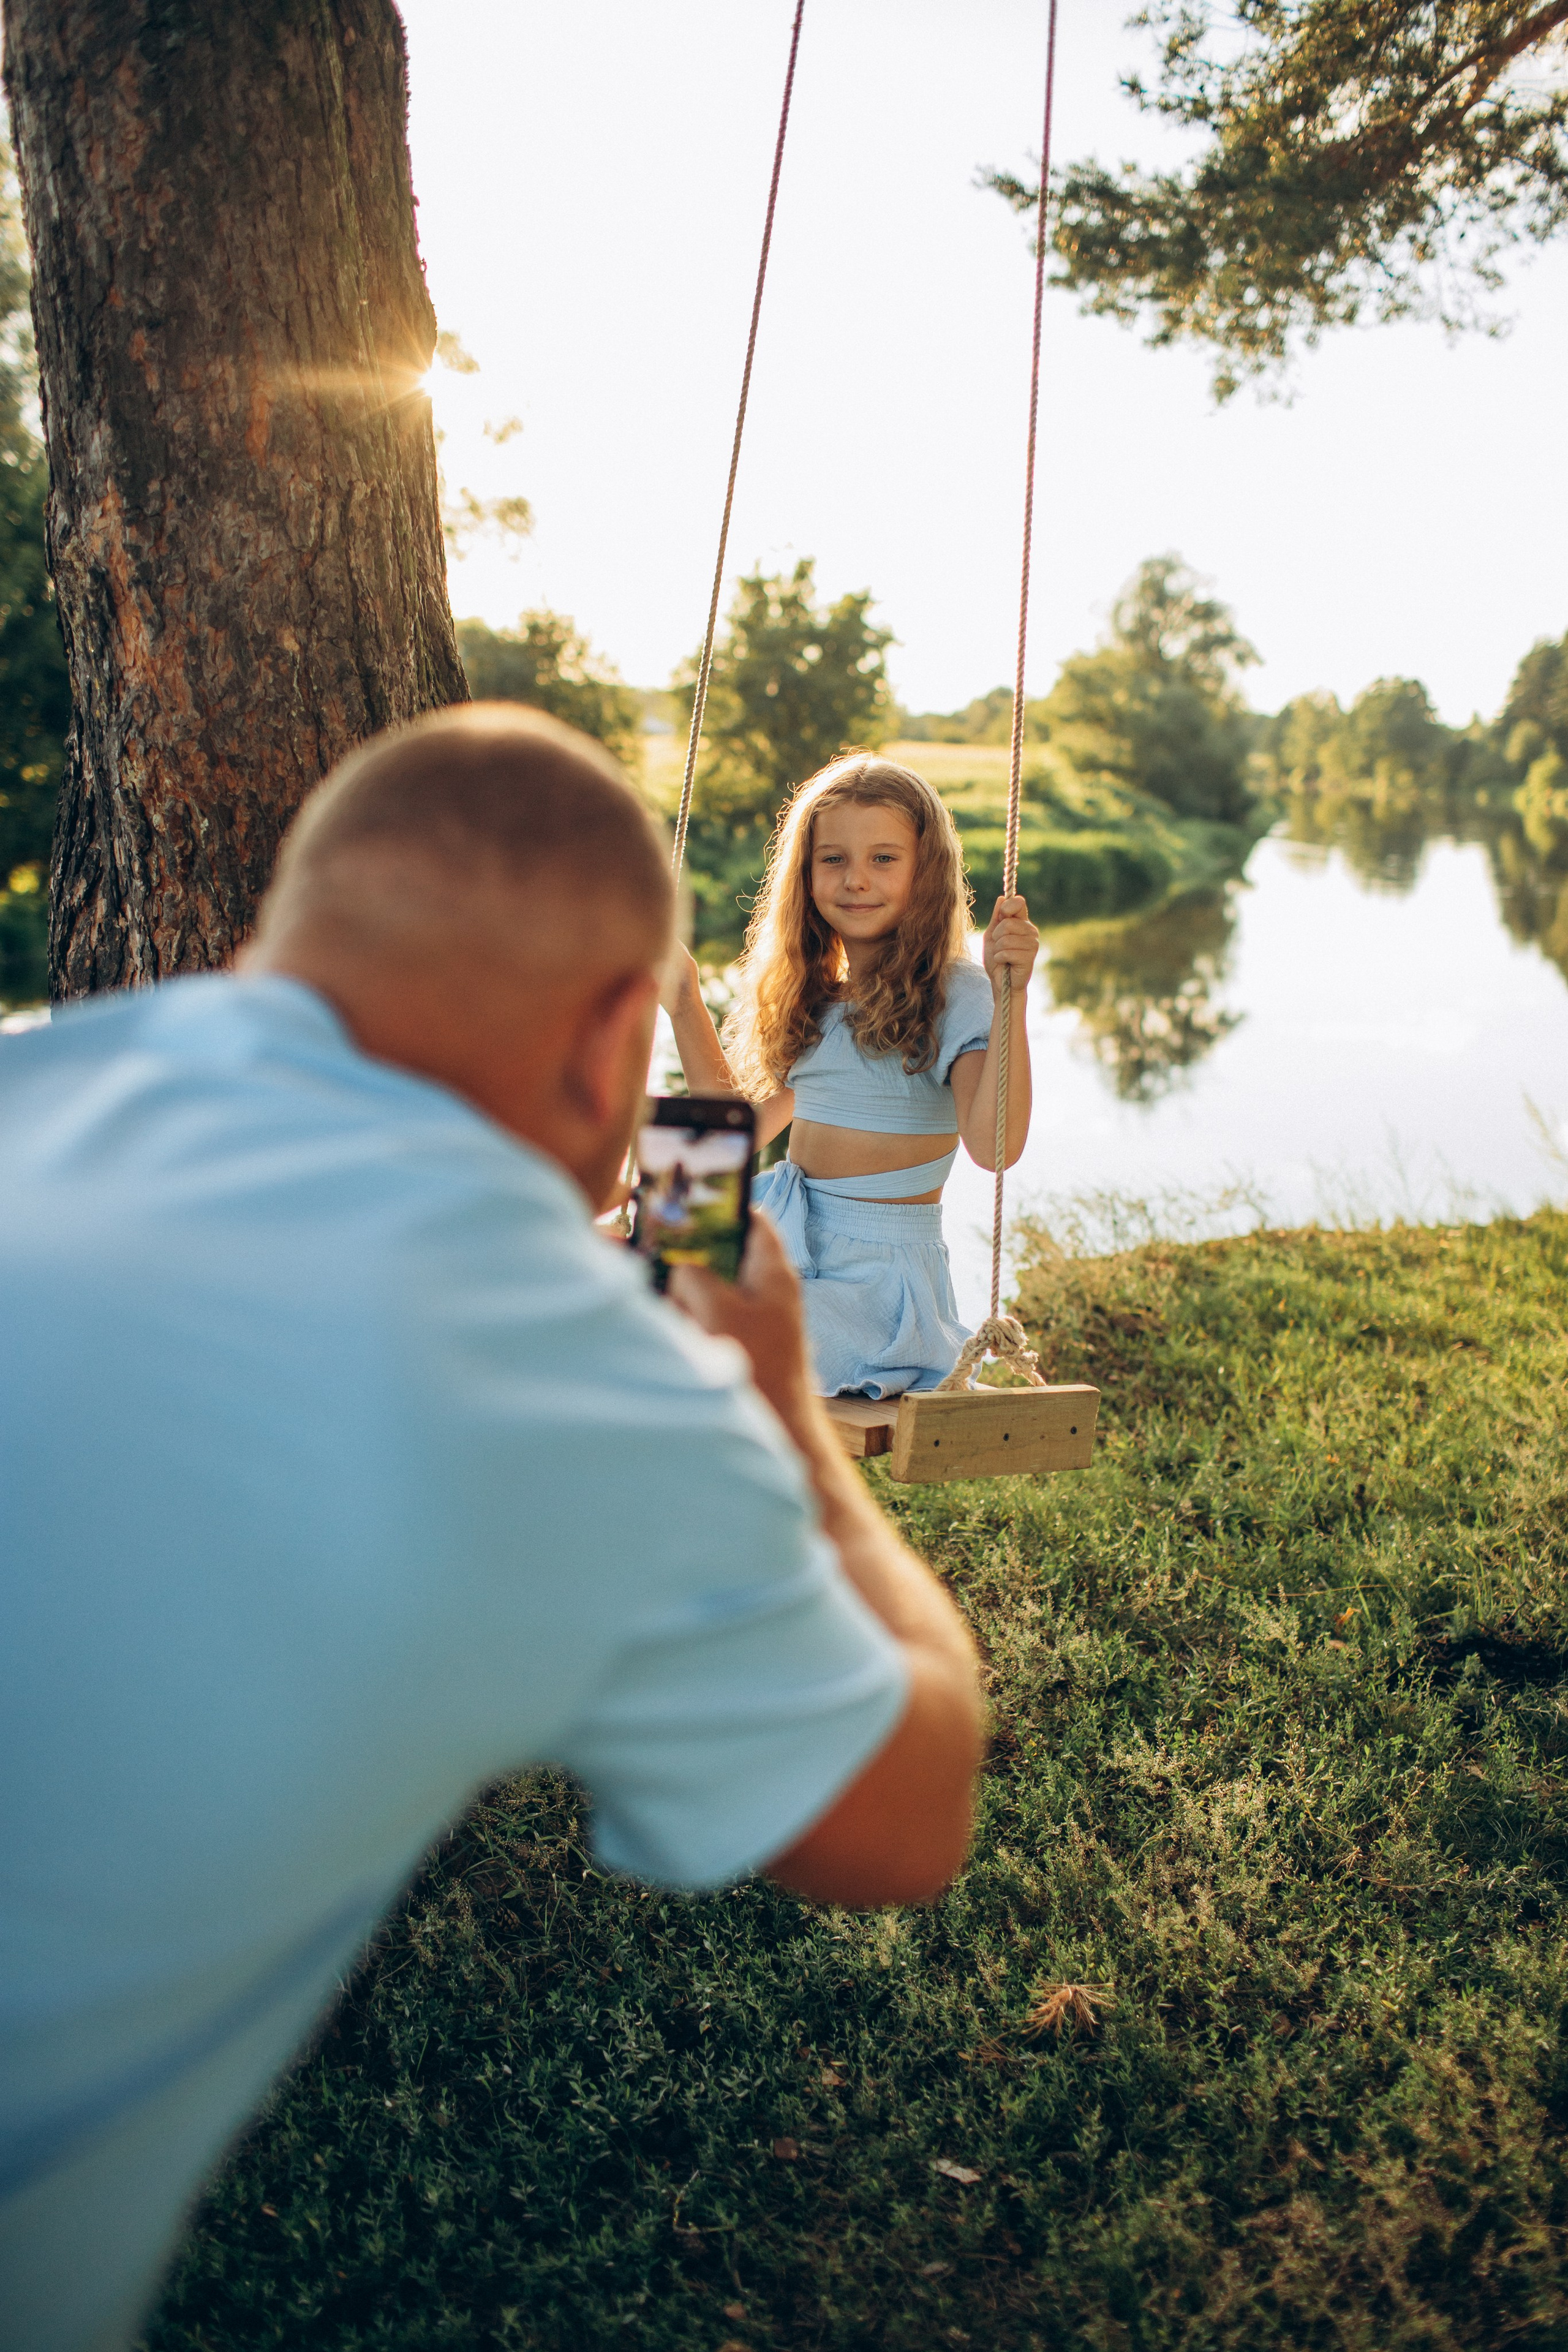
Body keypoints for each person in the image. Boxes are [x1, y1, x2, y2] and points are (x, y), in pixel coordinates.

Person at [0, 706, 983, 2352]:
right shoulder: (590, 1380)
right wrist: (772, 1406)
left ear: (273, 949)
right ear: (617, 1047)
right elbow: (905, 1817)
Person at [662, 752, 1041, 1397]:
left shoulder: (959, 995)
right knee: (632, 1265)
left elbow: (995, 1149)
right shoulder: (814, 997)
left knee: (715, 1333)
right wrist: (684, 1000)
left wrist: (1014, 1000)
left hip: (874, 1289)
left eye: (884, 859)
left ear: (927, 872)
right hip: (780, 1238)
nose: (855, 880)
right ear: (804, 875)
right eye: (833, 858)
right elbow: (735, 1135)